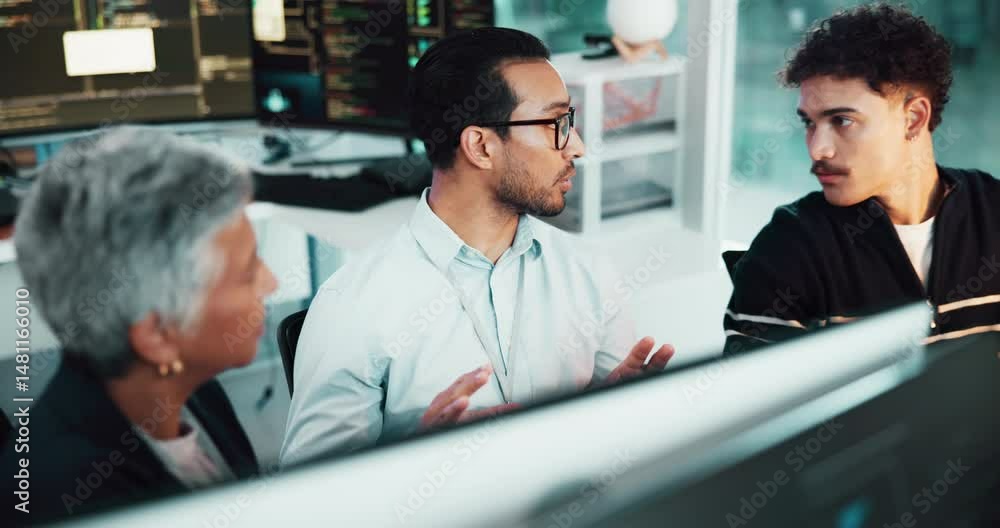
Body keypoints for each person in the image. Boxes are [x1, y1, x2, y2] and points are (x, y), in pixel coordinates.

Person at [280, 27, 675, 465]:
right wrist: (413, 459)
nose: (577, 148)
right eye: (556, 125)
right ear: (481, 146)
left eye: (571, 123)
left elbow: (625, 443)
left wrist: (615, 412)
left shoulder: (587, 271)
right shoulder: (350, 307)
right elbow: (315, 500)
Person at [1, 127, 278, 523]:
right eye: (248, 272)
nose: (272, 284)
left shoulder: (197, 396)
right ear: (157, 336)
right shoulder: (74, 501)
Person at [723, 5, 1000, 355]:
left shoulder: (992, 211)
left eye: (841, 120)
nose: (817, 149)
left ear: (913, 118)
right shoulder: (789, 246)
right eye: (809, 123)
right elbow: (751, 398)